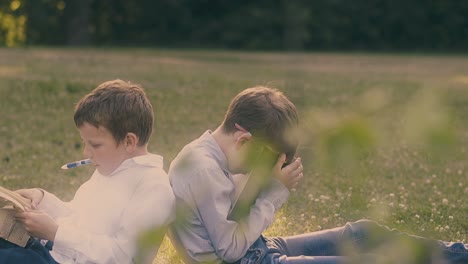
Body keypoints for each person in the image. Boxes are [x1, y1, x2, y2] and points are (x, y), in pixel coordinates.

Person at [168, 85, 468, 264]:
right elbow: (230, 249)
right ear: (244, 140)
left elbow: (234, 220)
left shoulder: (214, 155)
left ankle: (460, 254)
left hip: (258, 250)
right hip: (250, 260)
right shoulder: (203, 169)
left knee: (361, 232)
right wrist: (274, 191)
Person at [0, 79, 175, 263]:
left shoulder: (153, 187)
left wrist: (55, 233)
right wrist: (43, 200)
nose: (86, 152)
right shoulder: (110, 167)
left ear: (129, 142)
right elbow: (78, 218)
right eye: (85, 143)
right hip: (51, 253)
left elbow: (125, 257)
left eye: (95, 145)